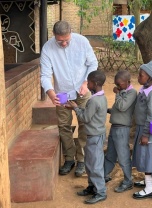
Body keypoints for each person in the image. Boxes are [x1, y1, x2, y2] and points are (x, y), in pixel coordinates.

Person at [40, 20, 98, 176]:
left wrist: (86, 82)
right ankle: (69, 158)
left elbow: (93, 64)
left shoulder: (82, 42)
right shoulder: (47, 48)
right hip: (62, 94)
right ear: (54, 35)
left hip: (82, 91)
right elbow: (45, 75)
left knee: (84, 124)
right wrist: (51, 93)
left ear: (71, 33)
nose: (64, 43)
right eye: (60, 41)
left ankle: (82, 160)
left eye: (66, 40)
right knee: (64, 126)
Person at [66, 70, 107, 204]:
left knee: (95, 166)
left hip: (95, 137)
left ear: (94, 83)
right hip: (94, 135)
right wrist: (76, 107)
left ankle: (101, 192)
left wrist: (76, 108)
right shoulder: (101, 97)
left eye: (88, 82)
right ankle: (92, 187)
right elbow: (90, 114)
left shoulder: (94, 100)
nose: (86, 84)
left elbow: (85, 118)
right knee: (90, 164)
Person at [132, 60, 152, 199]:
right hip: (141, 128)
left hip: (147, 131)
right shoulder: (144, 89)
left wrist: (145, 134)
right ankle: (147, 180)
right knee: (142, 156)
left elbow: (151, 116)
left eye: (141, 75)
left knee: (146, 157)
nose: (138, 77)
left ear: (150, 77)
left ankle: (149, 187)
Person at [104, 70, 137, 192]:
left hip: (122, 129)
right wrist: (107, 110)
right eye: (116, 84)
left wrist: (118, 93)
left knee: (123, 156)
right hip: (115, 128)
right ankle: (103, 175)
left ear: (128, 82)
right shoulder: (123, 91)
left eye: (120, 84)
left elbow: (122, 106)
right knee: (110, 155)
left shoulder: (132, 92)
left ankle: (128, 181)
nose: (117, 86)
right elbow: (117, 109)